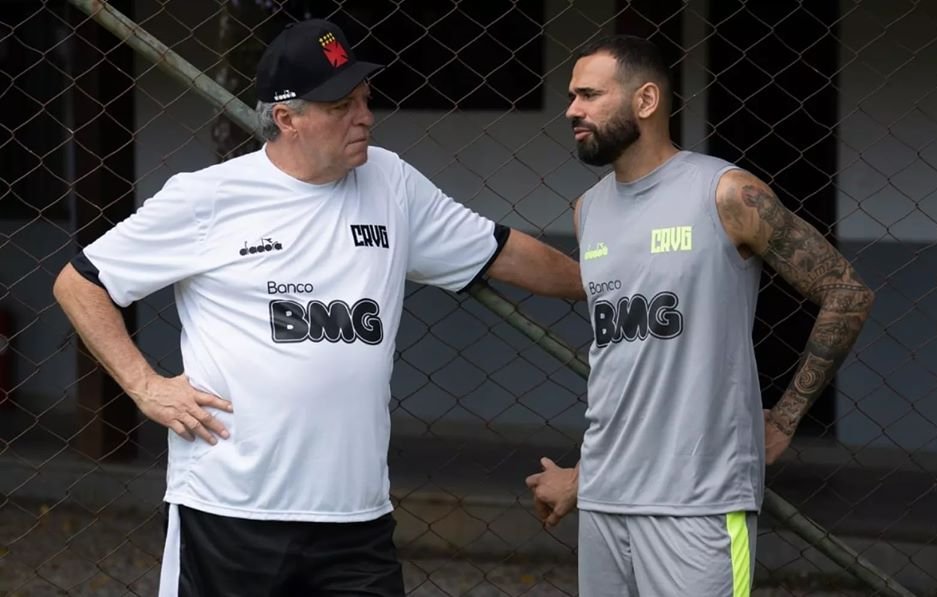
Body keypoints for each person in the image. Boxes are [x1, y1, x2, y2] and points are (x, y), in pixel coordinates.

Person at [53, 19, 584, 597]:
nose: (365, 117)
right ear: (287, 119)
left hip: (354, 519)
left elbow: (502, 252)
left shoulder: (391, 183)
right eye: (341, 106)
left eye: (365, 99)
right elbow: (81, 283)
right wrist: (145, 387)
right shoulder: (208, 197)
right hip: (229, 510)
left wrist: (601, 285)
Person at [524, 35, 874, 596]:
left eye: (588, 95)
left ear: (645, 100)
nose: (571, 110)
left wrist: (786, 417)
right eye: (571, 96)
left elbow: (847, 293)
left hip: (699, 505)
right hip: (605, 504)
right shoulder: (588, 210)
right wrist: (585, 476)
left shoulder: (727, 194)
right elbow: (631, 372)